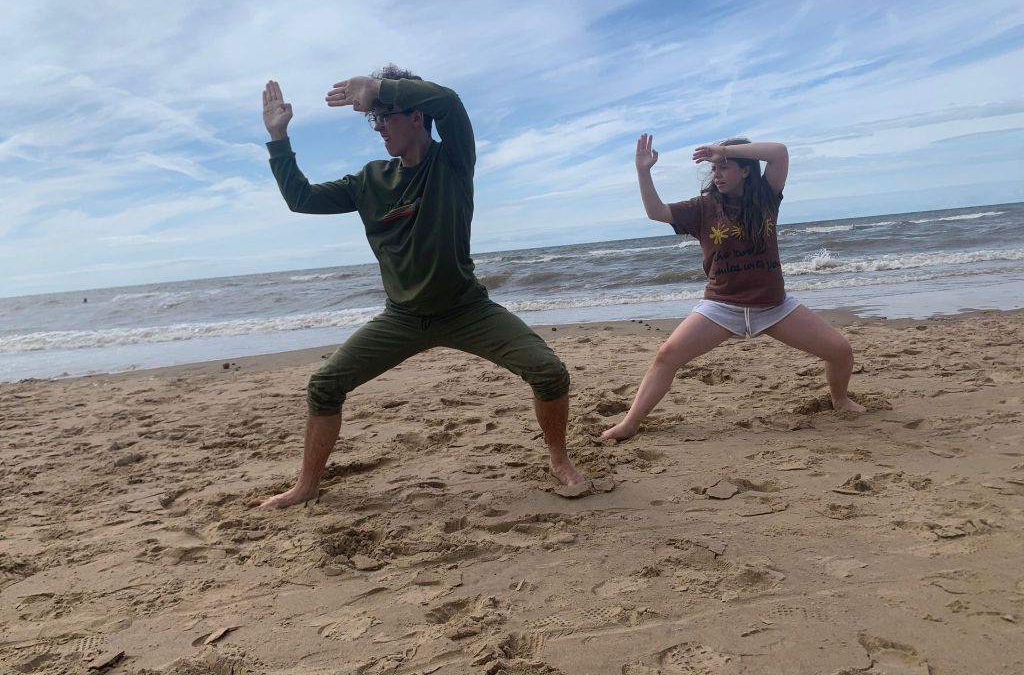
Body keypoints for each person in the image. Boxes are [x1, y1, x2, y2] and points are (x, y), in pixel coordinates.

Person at [259, 67, 585, 508]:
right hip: (403, 317)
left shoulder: (452, 162)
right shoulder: (369, 181)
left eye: (384, 117)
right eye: (373, 120)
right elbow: (301, 199)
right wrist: (278, 139)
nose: (378, 129)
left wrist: (378, 88)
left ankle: (559, 459)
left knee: (549, 372)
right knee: (324, 384)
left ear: (416, 116)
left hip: (467, 309)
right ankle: (307, 485)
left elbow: (448, 102)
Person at [602, 134, 866, 441]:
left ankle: (840, 399)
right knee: (667, 355)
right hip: (722, 306)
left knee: (841, 352)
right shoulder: (703, 208)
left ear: (746, 171)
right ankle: (630, 423)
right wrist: (643, 171)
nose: (717, 173)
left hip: (773, 306)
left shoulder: (767, 196)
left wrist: (723, 150)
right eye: (714, 168)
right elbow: (656, 211)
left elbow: (779, 152)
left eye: (724, 167)